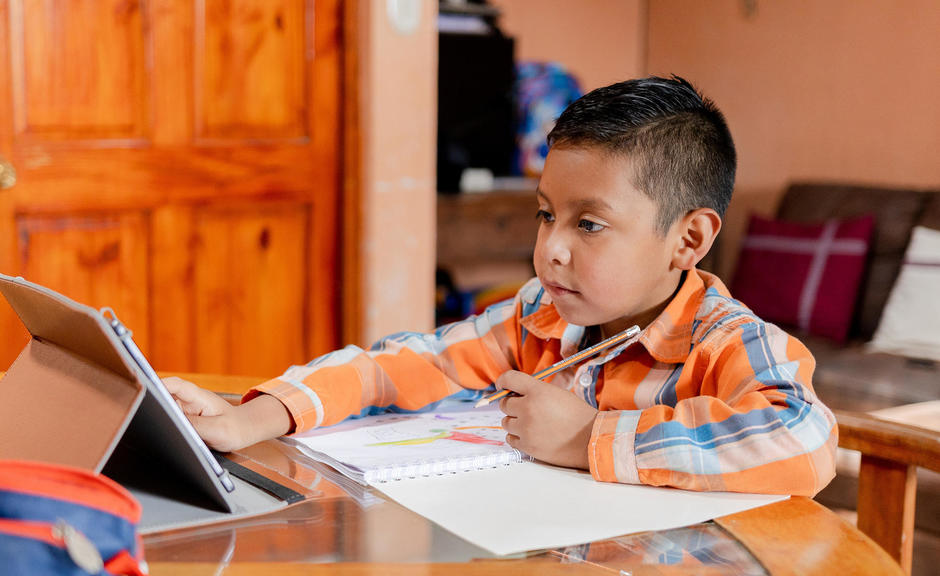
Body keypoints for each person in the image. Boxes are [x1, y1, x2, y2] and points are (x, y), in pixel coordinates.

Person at [165, 76, 836, 496]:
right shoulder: (538, 316)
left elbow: (804, 438)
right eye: (546, 214)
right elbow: (393, 367)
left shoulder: (727, 339)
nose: (552, 248)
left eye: (590, 224)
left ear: (688, 240)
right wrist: (246, 418)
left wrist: (588, 438)